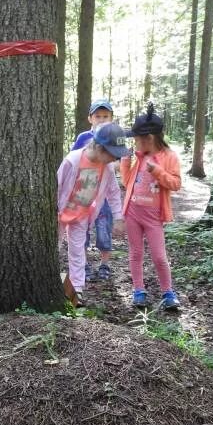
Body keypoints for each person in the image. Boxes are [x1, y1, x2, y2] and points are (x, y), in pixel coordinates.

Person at [57, 123, 127, 306]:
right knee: (51, 247)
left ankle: (76, 290)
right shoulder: (73, 160)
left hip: (81, 214)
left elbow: (113, 192)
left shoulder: (108, 167)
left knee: (78, 250)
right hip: (59, 213)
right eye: (111, 153)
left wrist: (118, 217)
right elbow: (57, 185)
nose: (113, 159)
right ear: (98, 147)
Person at [120, 104, 182, 309]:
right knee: (136, 253)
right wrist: (125, 160)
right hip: (132, 213)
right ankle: (138, 290)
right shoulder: (138, 156)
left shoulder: (169, 157)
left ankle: (168, 293)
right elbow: (127, 182)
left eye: (136, 139)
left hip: (154, 216)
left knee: (158, 255)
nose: (134, 142)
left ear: (149, 138)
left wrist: (157, 171)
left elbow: (175, 184)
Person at [71, 99, 118, 282]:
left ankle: (105, 263)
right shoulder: (83, 137)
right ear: (90, 118)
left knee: (104, 227)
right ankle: (84, 264)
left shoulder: (114, 136)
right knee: (81, 229)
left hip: (104, 193)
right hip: (84, 191)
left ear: (112, 118)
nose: (102, 119)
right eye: (98, 116)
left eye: (106, 116)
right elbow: (74, 158)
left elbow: (119, 161)